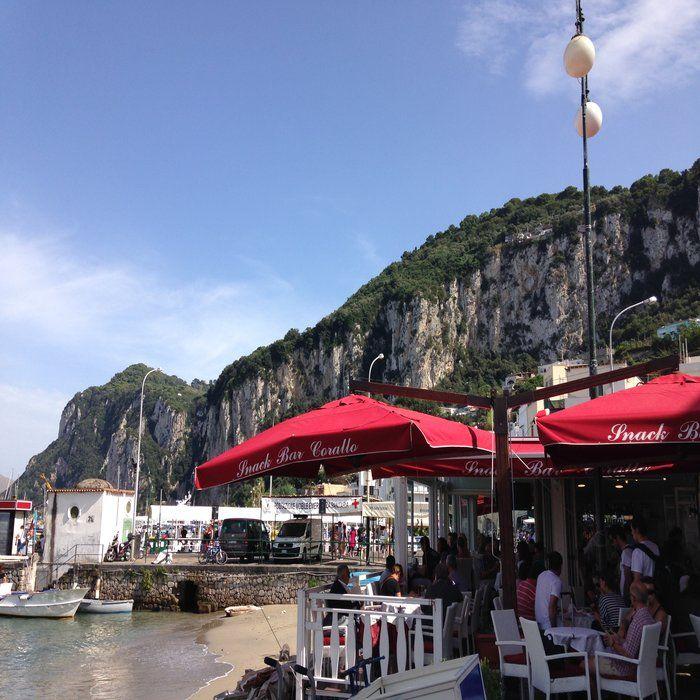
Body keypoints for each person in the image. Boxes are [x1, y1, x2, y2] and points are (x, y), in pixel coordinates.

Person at [589, 582, 656, 680]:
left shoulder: (637, 621)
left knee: (586, 663)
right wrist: (619, 640)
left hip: (625, 669)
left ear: (633, 598)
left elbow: (628, 654)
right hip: (641, 667)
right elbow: (634, 645)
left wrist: (612, 644)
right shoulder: (648, 617)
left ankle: (601, 694)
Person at [535, 551, 563, 630]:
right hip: (548, 625)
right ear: (560, 566)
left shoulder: (541, 575)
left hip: (538, 622)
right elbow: (552, 607)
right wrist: (554, 629)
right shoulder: (556, 581)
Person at [630, 516, 659, 582]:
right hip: (655, 588)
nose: (631, 533)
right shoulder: (655, 546)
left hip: (644, 589)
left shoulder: (637, 551)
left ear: (636, 530)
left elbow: (637, 579)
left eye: (632, 530)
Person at [610, 525, 634, 602]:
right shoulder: (629, 550)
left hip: (627, 595)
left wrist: (627, 594)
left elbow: (627, 575)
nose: (612, 544)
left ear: (617, 538)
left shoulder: (626, 553)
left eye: (612, 540)